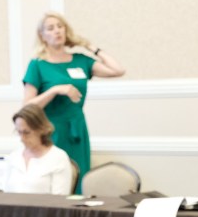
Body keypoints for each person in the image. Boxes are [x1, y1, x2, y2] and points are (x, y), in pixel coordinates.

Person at [22, 11, 125, 193]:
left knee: (79, 178)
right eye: (51, 28)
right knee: (56, 181)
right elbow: (27, 107)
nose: (57, 31)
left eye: (60, 26)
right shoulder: (38, 64)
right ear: (42, 36)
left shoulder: (80, 60)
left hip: (77, 128)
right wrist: (55, 90)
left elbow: (118, 70)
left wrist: (91, 48)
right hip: (50, 130)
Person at [3, 103, 74, 195]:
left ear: (41, 129)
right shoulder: (14, 157)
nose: (22, 138)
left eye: (27, 132)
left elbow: (59, 201)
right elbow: (5, 194)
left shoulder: (58, 157)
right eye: (19, 132)